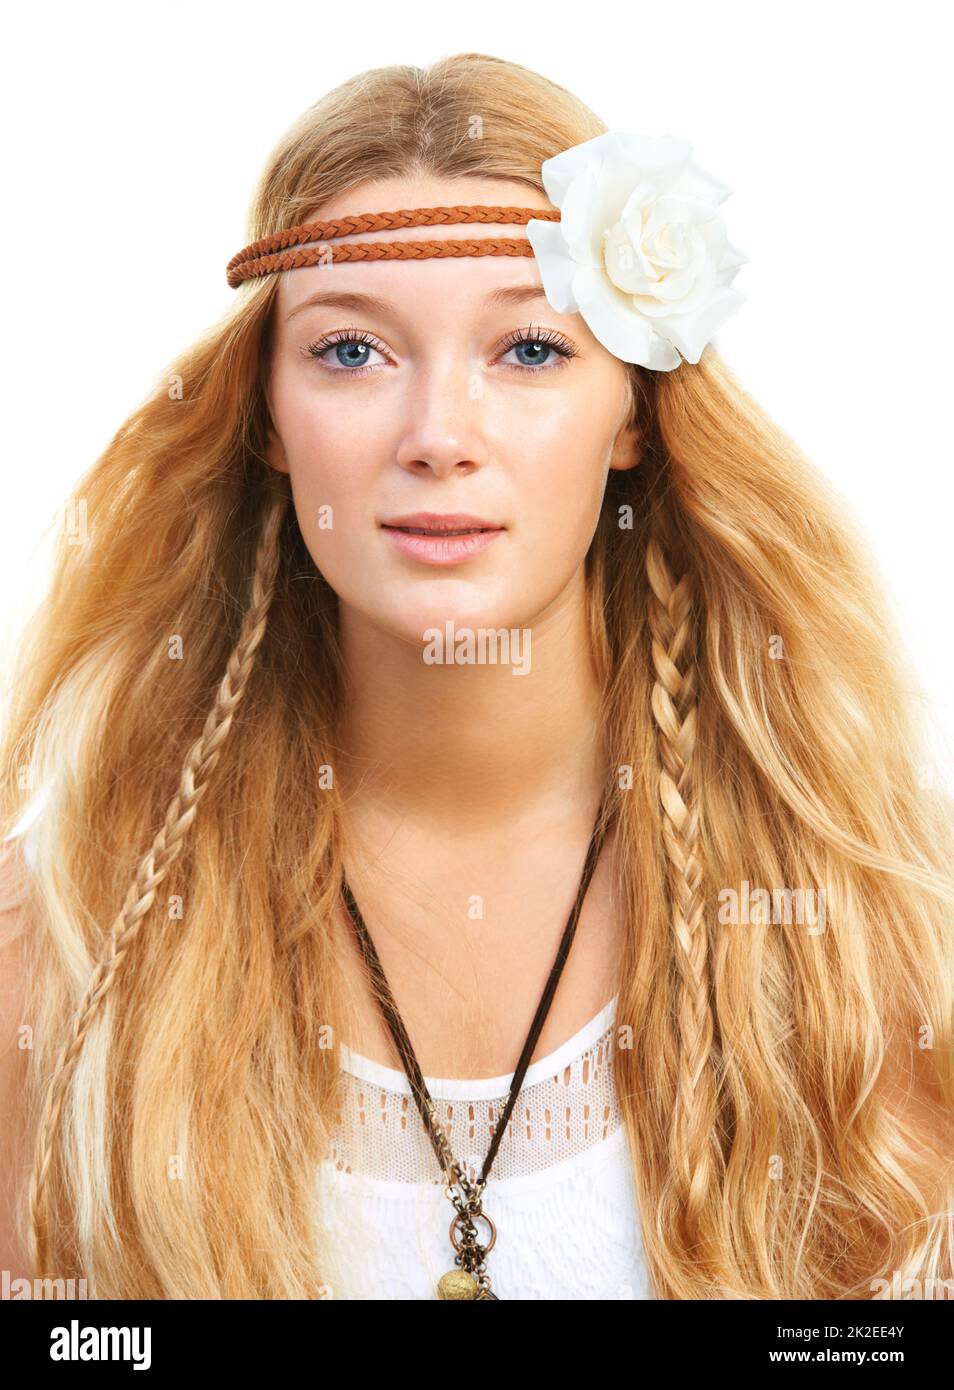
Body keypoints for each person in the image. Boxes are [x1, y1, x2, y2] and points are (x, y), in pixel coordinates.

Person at [1, 51, 952, 1301]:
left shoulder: (880, 928)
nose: (439, 436)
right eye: (352, 350)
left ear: (634, 413)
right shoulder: (70, 937)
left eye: (530, 349)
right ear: (268, 416)